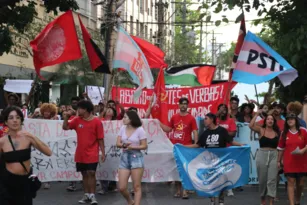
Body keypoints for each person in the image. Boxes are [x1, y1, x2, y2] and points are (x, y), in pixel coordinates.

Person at [186, 113, 242, 205]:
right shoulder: (205, 133)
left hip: (221, 161)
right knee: (210, 182)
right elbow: (198, 145)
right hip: (209, 162)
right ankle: (212, 201)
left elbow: (231, 142)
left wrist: (241, 145)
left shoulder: (222, 131)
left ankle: (221, 201)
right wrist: (184, 147)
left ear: (212, 120)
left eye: (206, 118)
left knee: (221, 182)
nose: (204, 120)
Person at [0, 106, 52, 205]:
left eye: (18, 117)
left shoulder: (28, 138)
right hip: (7, 184)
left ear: (21, 120)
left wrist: (33, 137)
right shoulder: (2, 141)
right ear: (6, 122)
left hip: (25, 183)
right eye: (11, 118)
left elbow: (48, 152)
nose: (15, 120)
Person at [63, 100, 106, 205]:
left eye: (79, 108)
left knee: (91, 172)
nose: (77, 110)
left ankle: (92, 196)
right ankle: (86, 194)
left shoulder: (97, 122)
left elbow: (100, 139)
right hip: (80, 153)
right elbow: (65, 127)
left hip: (92, 152)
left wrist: (103, 153)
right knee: (84, 173)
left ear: (85, 109)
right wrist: (66, 117)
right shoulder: (77, 120)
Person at [160, 97, 198, 199]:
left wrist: (196, 143)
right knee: (177, 170)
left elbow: (195, 131)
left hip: (186, 147)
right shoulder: (174, 117)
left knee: (185, 170)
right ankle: (178, 190)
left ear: (188, 105)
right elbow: (168, 129)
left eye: (185, 104)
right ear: (178, 105)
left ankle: (185, 191)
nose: (183, 105)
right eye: (182, 104)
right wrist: (158, 123)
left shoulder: (191, 118)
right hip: (175, 147)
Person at [116, 111, 148, 205]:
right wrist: (124, 145)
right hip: (124, 157)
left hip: (136, 157)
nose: (123, 119)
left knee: (136, 186)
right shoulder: (122, 128)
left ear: (131, 119)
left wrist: (133, 147)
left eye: (125, 117)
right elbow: (117, 144)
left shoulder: (140, 130)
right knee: (122, 187)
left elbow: (144, 146)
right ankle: (130, 201)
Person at [249, 110, 280, 205]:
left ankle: (270, 201)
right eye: (268, 119)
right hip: (262, 154)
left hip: (274, 154)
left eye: (272, 119)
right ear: (265, 121)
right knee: (262, 179)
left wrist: (279, 160)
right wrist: (257, 114)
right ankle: (262, 198)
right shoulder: (261, 130)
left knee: (272, 179)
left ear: (274, 122)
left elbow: (280, 147)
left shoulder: (277, 132)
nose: (270, 120)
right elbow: (250, 126)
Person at [277, 112, 307, 205]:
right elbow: (281, 148)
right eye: (288, 119)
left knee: (301, 183)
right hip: (289, 161)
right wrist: (278, 161)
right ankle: (292, 203)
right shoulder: (284, 133)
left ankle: (297, 200)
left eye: (292, 119)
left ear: (296, 120)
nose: (290, 120)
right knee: (290, 182)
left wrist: (303, 150)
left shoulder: (303, 131)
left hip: (302, 161)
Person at [216, 104, 237, 197]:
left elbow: (232, 133)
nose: (223, 111)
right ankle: (217, 188)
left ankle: (229, 188)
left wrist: (221, 133)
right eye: (221, 109)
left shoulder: (230, 120)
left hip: (227, 148)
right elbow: (209, 128)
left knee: (227, 168)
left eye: (225, 109)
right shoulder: (215, 120)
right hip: (215, 148)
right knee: (216, 169)